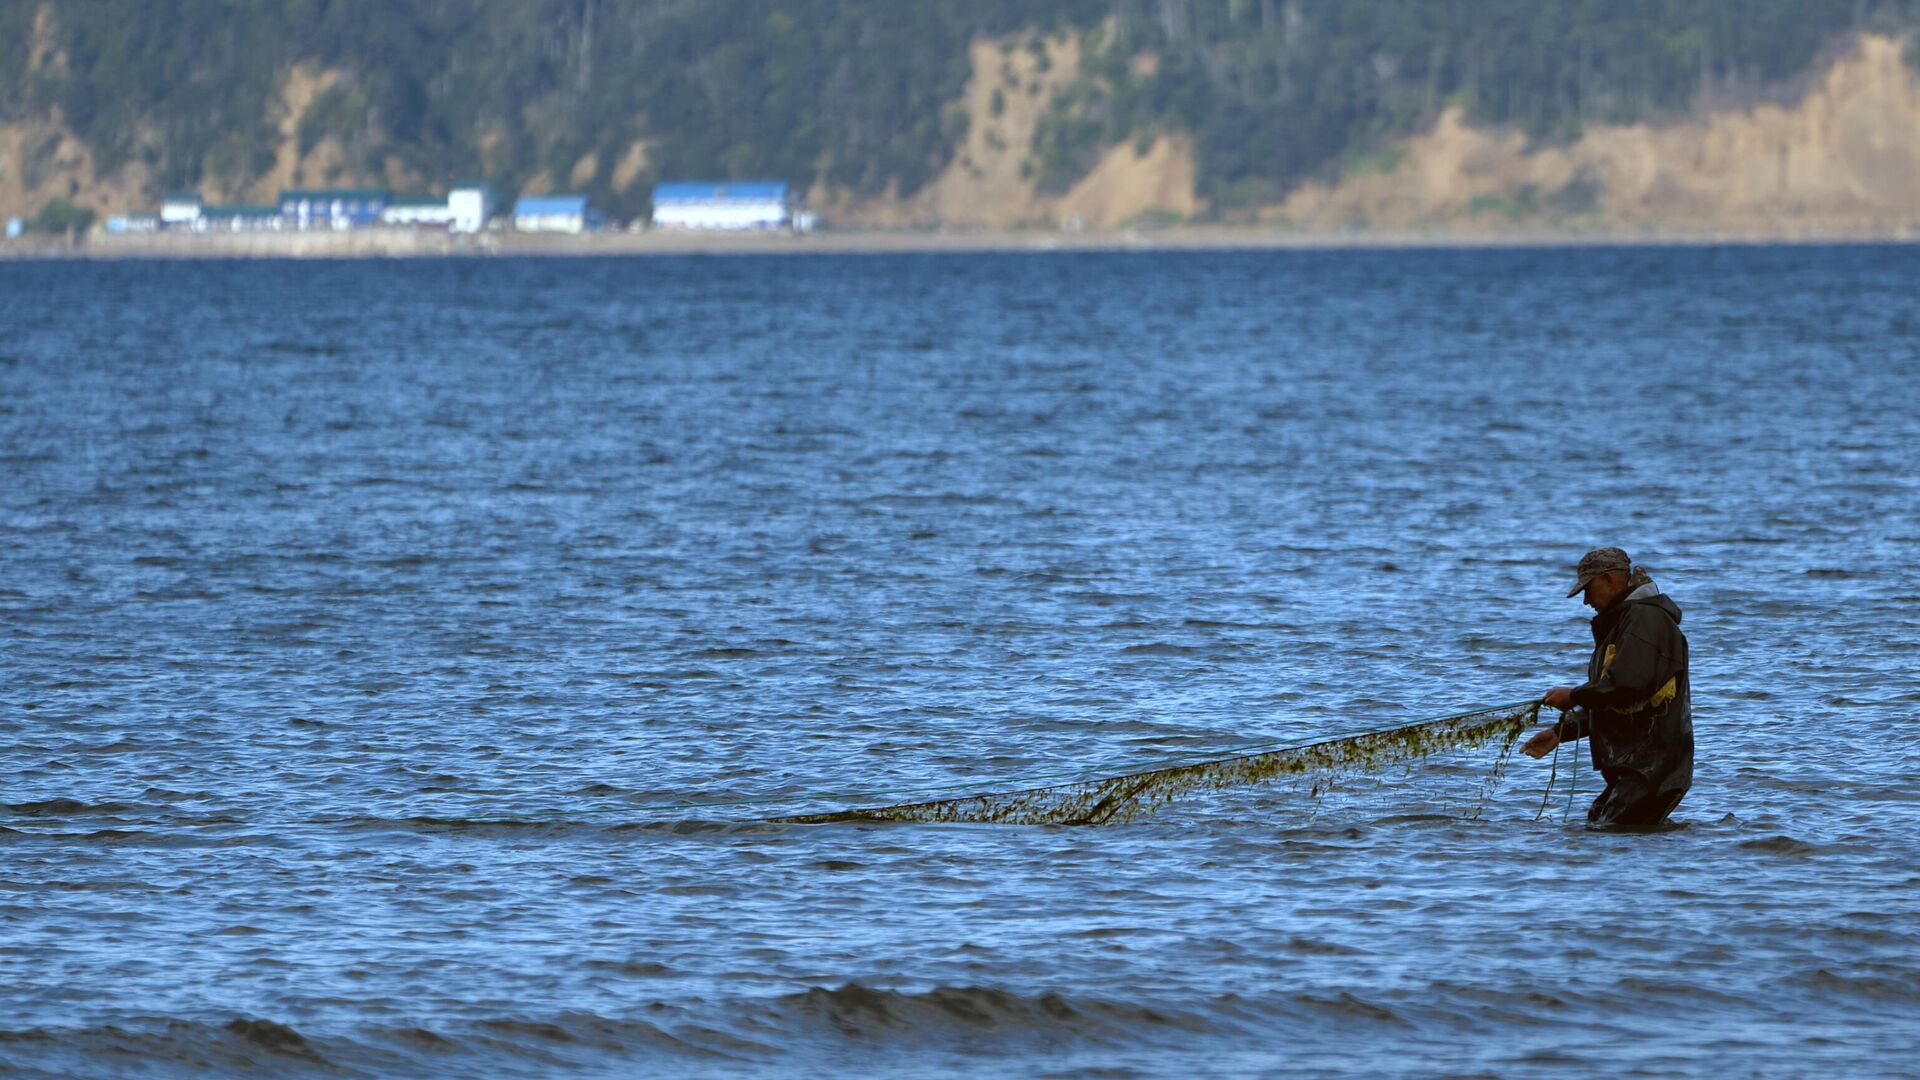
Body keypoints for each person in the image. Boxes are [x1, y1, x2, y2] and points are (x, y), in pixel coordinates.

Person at [1522, 547, 1693, 827]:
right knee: (1599, 827)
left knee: (1607, 834)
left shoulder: (1645, 620)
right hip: (1637, 770)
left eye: (1588, 590)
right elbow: (1621, 703)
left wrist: (1574, 695)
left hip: (1650, 771)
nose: (1586, 601)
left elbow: (1627, 686)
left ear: (1609, 580)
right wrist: (1560, 732)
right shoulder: (1628, 621)